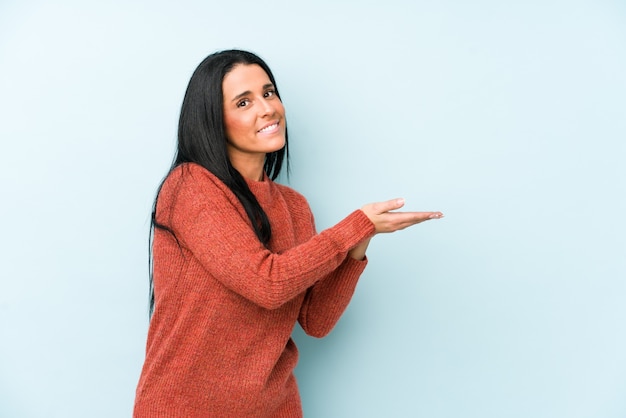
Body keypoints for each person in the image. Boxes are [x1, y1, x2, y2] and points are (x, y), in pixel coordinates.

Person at [133, 49, 443, 417]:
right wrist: (353, 226)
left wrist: (359, 244)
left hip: (274, 408)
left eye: (268, 93)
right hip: (184, 408)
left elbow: (316, 321)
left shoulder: (294, 207)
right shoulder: (191, 187)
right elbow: (266, 282)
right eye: (243, 102)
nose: (266, 109)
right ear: (213, 120)